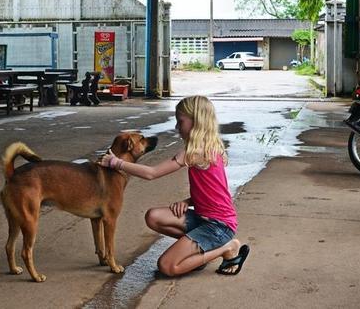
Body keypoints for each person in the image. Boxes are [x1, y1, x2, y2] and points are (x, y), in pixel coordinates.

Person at [99, 95, 249, 276]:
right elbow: (216, 193)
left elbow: (151, 173)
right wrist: (188, 201)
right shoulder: (210, 147)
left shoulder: (195, 152)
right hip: (204, 218)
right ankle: (197, 252)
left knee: (167, 266)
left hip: (219, 227)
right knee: (153, 216)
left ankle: (226, 248)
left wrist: (115, 163)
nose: (177, 127)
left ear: (196, 122)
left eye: (180, 121)